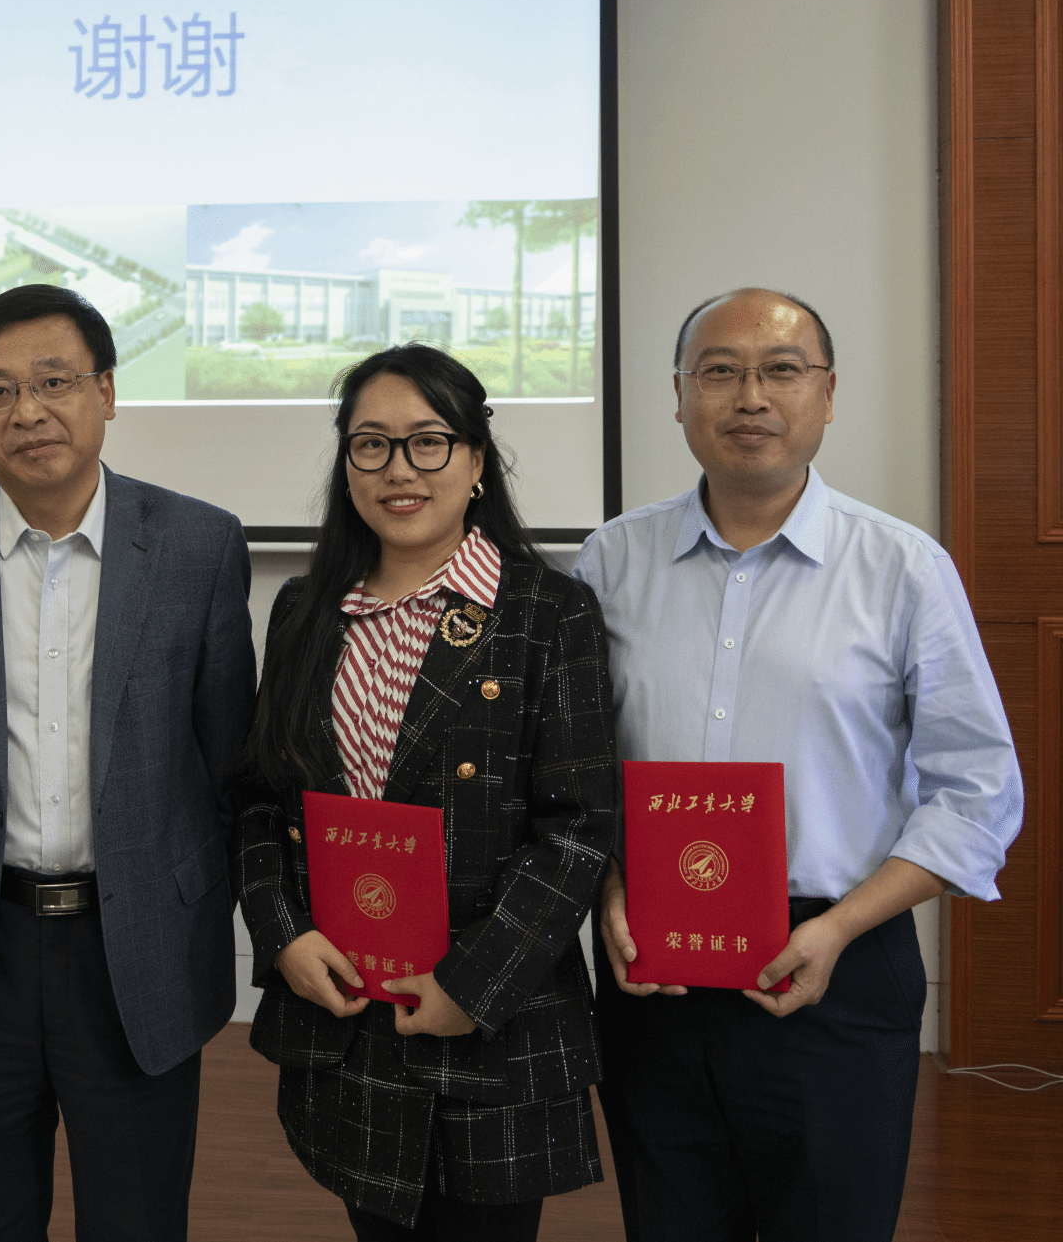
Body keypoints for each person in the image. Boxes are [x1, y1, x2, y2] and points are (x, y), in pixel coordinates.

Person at [575, 288, 1022, 1242]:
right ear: (679, 395)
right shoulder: (609, 561)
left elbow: (979, 790)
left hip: (837, 965)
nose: (750, 396)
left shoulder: (903, 568)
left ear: (827, 393)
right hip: (654, 971)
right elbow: (576, 767)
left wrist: (841, 928)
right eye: (719, 371)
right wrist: (609, 883)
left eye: (780, 369)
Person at [0, 284, 255, 1241]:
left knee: (137, 1218)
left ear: (106, 391)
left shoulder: (198, 543)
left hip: (139, 942)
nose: (26, 411)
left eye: (53, 381)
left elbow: (225, 751)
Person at [230, 344, 618, 1241]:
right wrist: (283, 935)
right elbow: (258, 798)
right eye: (371, 444)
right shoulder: (306, 610)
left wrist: (470, 984)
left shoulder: (547, 612)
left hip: (489, 1026)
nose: (399, 468)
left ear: (477, 461)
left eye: (428, 441)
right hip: (347, 1016)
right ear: (347, 464)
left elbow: (577, 828)